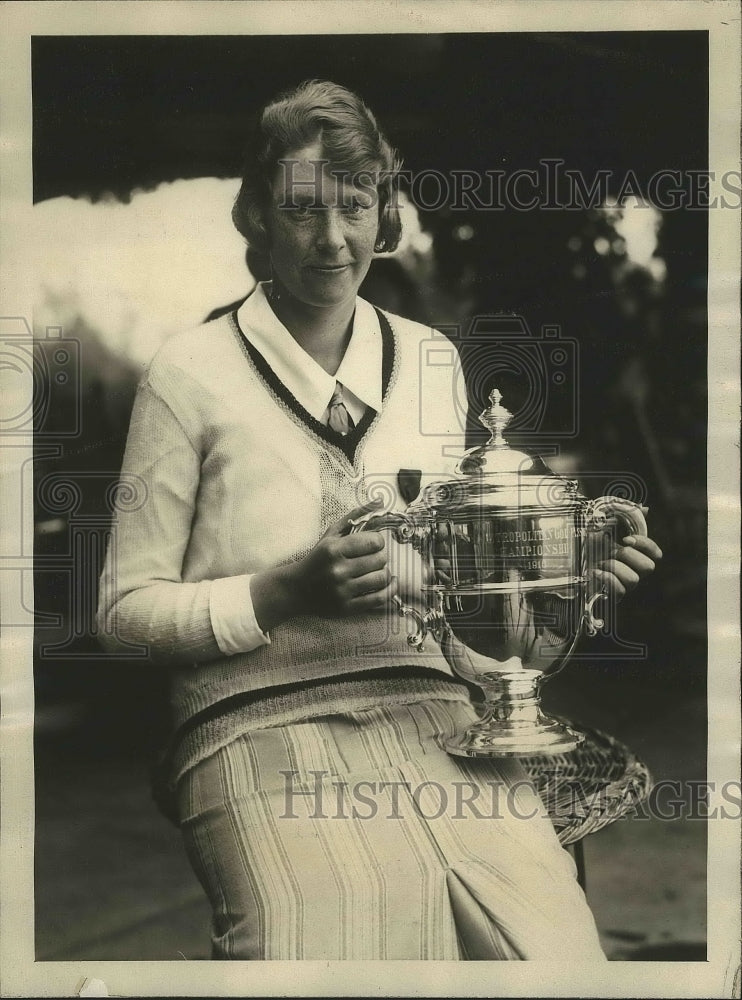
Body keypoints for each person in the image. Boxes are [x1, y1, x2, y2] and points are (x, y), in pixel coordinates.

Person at [97, 79, 662, 961]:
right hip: (251, 714)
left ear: (383, 214)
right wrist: (279, 593)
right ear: (254, 215)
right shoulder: (188, 375)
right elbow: (124, 617)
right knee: (326, 952)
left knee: (554, 955)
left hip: (434, 703)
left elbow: (462, 575)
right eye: (303, 210)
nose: (333, 239)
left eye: (356, 208)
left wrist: (570, 566)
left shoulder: (431, 361)